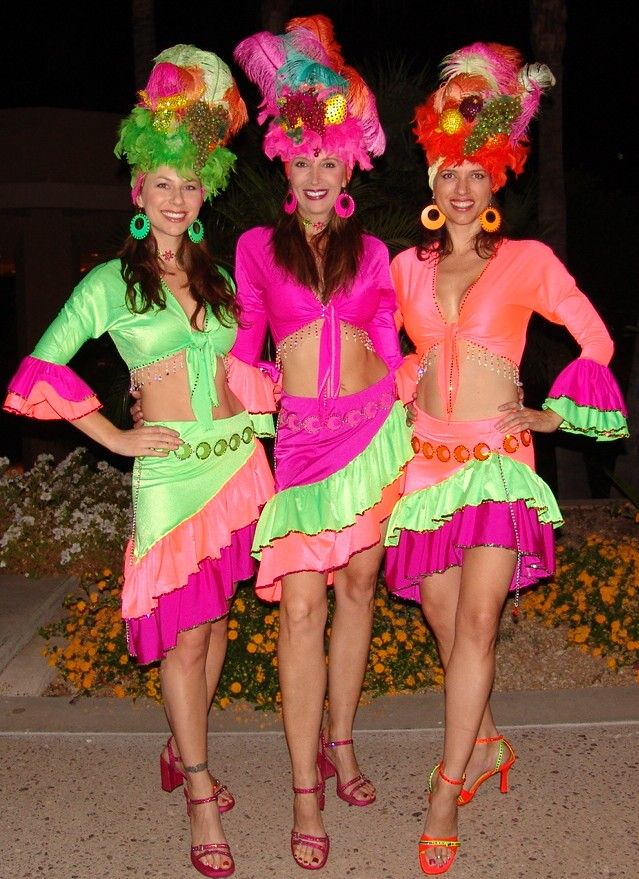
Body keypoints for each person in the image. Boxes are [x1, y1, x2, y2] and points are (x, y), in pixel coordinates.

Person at [3, 45, 276, 879]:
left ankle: (180, 746)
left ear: (204, 191)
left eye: (189, 183)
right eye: (162, 182)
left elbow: (241, 369)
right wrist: (117, 438)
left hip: (236, 465)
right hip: (168, 476)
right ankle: (197, 788)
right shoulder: (107, 286)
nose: (176, 196)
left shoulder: (220, 277)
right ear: (137, 191)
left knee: (217, 618)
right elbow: (41, 368)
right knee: (183, 641)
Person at [382, 42, 629, 875]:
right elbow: (378, 358)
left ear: (496, 182)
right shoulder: (401, 269)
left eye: (475, 173)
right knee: (448, 626)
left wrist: (553, 409)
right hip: (424, 465)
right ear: (431, 181)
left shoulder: (527, 262)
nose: (461, 185)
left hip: (496, 462)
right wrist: (398, 374)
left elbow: (592, 334)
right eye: (448, 170)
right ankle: (484, 742)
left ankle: (446, 787)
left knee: (479, 622)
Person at [232, 15, 413, 870]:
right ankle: (305, 783)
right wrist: (226, 392)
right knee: (299, 605)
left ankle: (341, 740)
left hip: (371, 432)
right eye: (300, 158)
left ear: (347, 165)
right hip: (302, 443)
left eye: (327, 159)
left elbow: (388, 332)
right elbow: (243, 344)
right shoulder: (255, 249)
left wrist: (429, 389)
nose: (313, 172)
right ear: (285, 160)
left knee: (356, 591)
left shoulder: (373, 250)